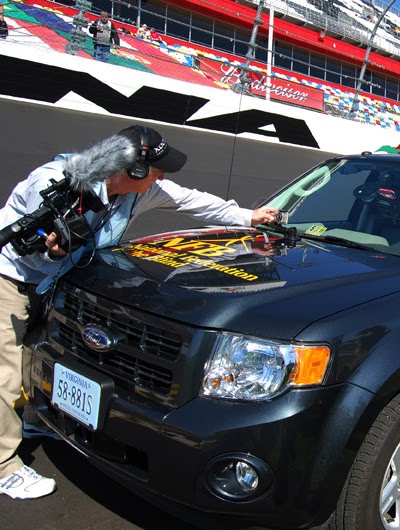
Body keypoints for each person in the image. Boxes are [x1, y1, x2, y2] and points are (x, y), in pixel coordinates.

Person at [0, 125, 279, 499]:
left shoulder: (141, 191)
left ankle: (35, 421)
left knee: (39, 355)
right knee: (5, 372)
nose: (162, 177)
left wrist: (248, 217)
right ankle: (5, 467)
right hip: (12, 279)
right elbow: (29, 245)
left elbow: (193, 201)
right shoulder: (53, 183)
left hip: (57, 285)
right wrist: (50, 251)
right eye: (157, 169)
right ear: (129, 171)